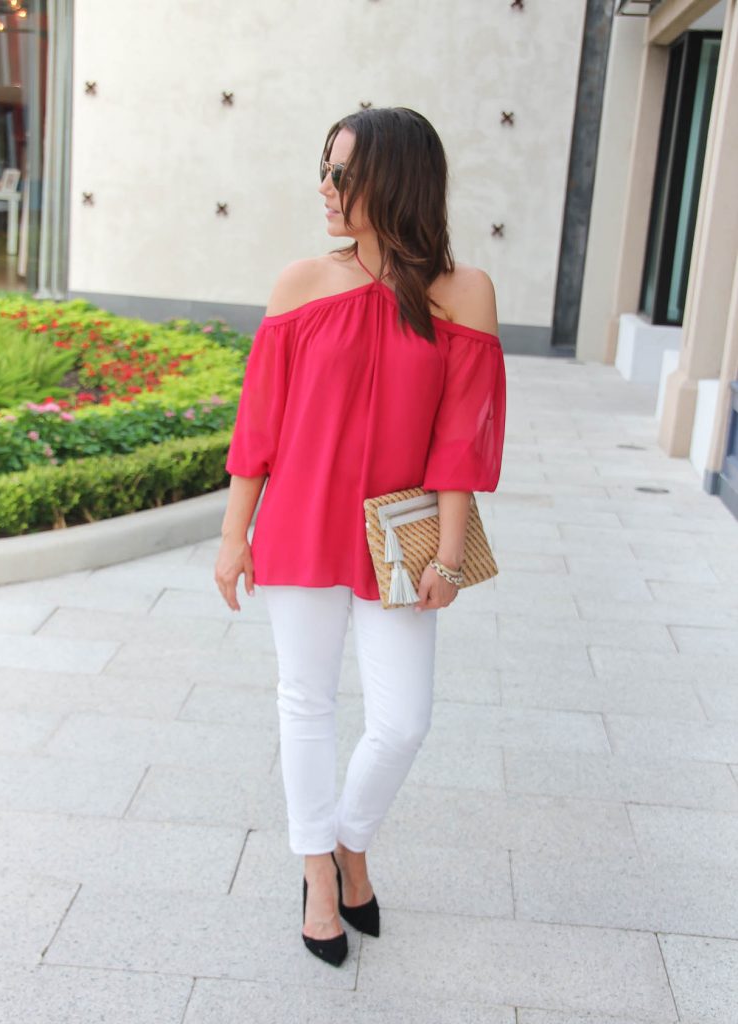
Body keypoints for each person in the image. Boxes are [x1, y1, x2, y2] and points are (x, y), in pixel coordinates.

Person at [214, 107, 506, 967]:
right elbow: (258, 427)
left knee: (403, 721)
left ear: (397, 181)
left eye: (342, 173)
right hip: (301, 518)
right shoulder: (301, 282)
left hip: (400, 535)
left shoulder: (464, 292)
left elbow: (461, 438)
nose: (326, 189)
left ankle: (346, 838)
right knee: (304, 700)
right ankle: (318, 872)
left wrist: (450, 556)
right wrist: (235, 536)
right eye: (326, 169)